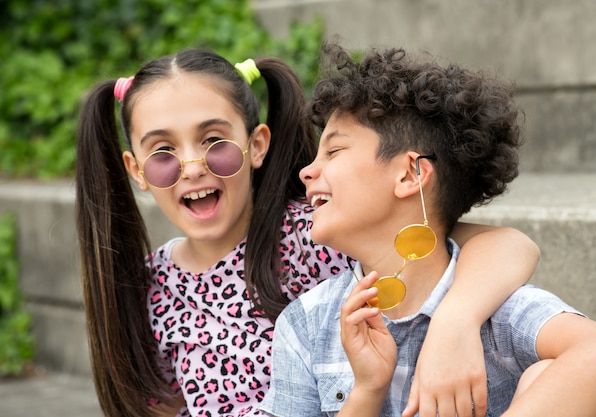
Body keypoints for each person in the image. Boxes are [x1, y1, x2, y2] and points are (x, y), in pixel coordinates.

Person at [75, 48, 540, 417]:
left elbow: (501, 244)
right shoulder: (151, 283)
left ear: (256, 145)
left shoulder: (315, 234)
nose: (193, 167)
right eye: (163, 151)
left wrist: (454, 322)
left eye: (215, 142)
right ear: (136, 170)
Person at [260, 43, 596, 417]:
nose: (307, 171)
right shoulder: (308, 323)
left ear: (410, 174)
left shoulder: (495, 309)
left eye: (334, 152)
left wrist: (453, 326)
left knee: (547, 374)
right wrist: (366, 392)